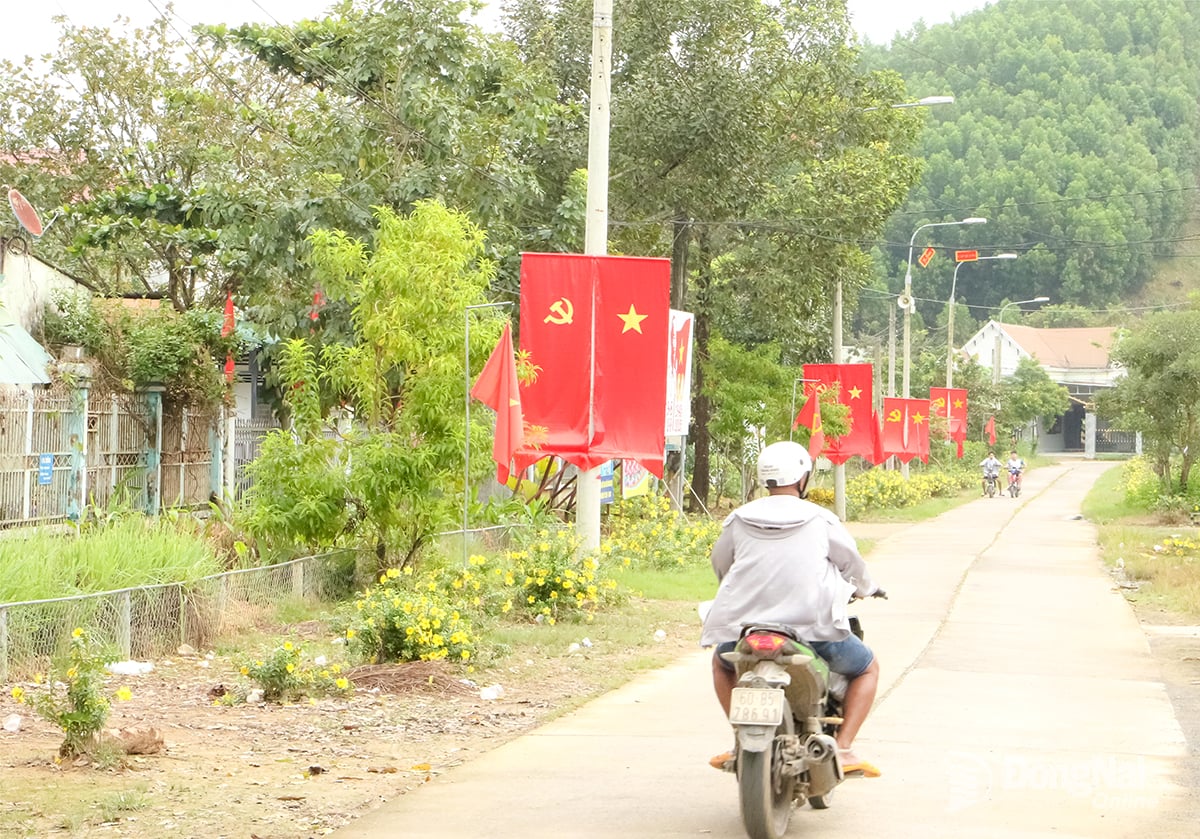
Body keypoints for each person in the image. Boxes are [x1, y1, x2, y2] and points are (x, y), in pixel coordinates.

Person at [701, 441, 884, 778]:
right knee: (867, 669)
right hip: (813, 631)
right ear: (803, 478)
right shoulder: (820, 519)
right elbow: (852, 565)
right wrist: (867, 589)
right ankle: (842, 748)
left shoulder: (738, 519)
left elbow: (720, 565)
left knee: (721, 664)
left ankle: (741, 739)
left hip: (749, 632)